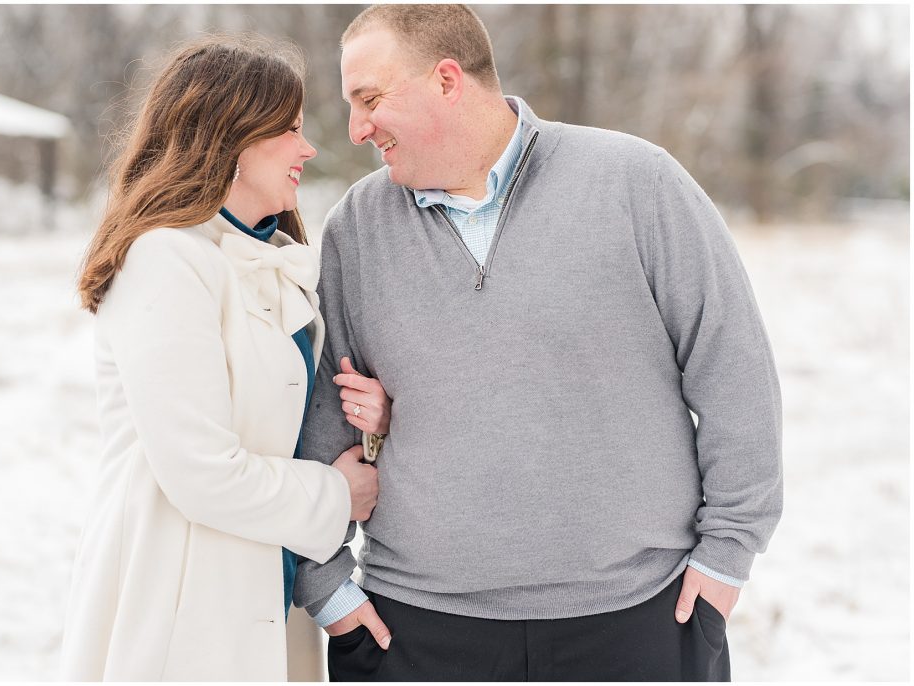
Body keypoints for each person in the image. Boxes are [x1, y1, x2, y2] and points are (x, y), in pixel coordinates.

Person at [293, 4, 783, 681]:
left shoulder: (638, 184)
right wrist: (326, 589)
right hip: (415, 630)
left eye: (369, 99)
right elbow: (322, 415)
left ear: (445, 80)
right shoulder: (358, 227)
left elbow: (733, 369)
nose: (356, 129)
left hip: (637, 619)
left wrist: (728, 552)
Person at [60, 36, 391, 681]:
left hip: (264, 592)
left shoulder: (273, 260)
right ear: (231, 136)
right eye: (290, 130)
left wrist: (368, 416)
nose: (309, 149)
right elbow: (200, 471)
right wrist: (336, 494)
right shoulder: (165, 260)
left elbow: (294, 419)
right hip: (183, 602)